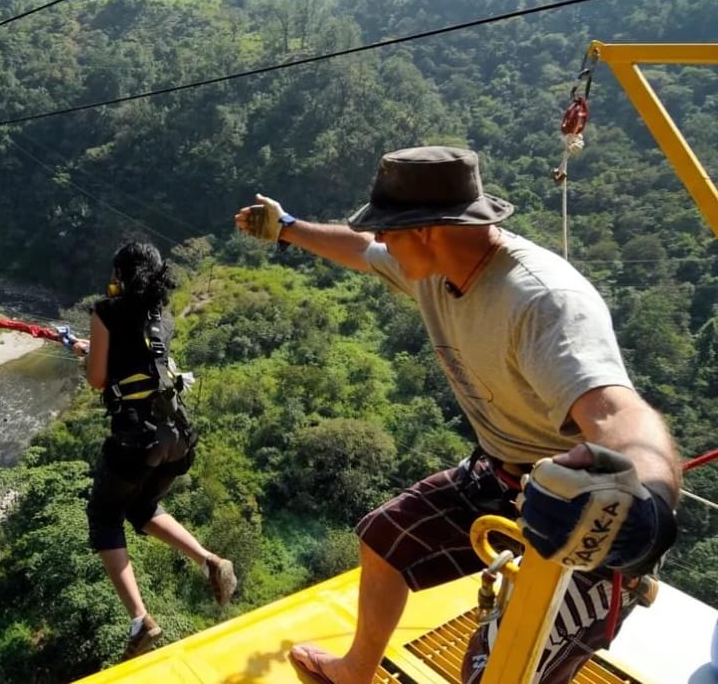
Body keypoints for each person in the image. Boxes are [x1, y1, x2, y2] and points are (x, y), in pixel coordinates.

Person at [233, 145, 680, 684]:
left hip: (581, 520)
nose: (381, 241)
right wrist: (287, 227)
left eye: (389, 230)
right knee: (385, 541)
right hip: (504, 473)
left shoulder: (542, 302)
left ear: (424, 230)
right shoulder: (438, 266)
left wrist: (645, 508)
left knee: (497, 671)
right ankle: (355, 671)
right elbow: (360, 251)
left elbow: (618, 411)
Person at [70, 240, 238, 660]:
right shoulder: (161, 315)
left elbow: (97, 379)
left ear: (121, 276)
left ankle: (140, 620)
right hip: (177, 437)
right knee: (141, 508)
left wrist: (85, 355)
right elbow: (142, 362)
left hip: (138, 438)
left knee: (105, 516)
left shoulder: (104, 312)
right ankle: (209, 561)